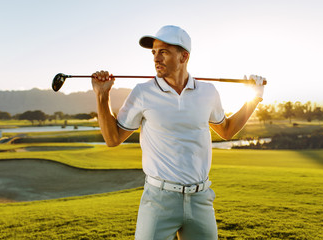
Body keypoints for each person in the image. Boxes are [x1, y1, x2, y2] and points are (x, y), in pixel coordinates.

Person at [91, 25, 265, 240]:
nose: (156, 58)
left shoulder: (208, 92)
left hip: (200, 198)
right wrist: (102, 96)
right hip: (158, 200)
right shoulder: (143, 93)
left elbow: (227, 131)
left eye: (163, 51)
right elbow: (112, 138)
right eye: (154, 52)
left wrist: (255, 98)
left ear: (184, 56)